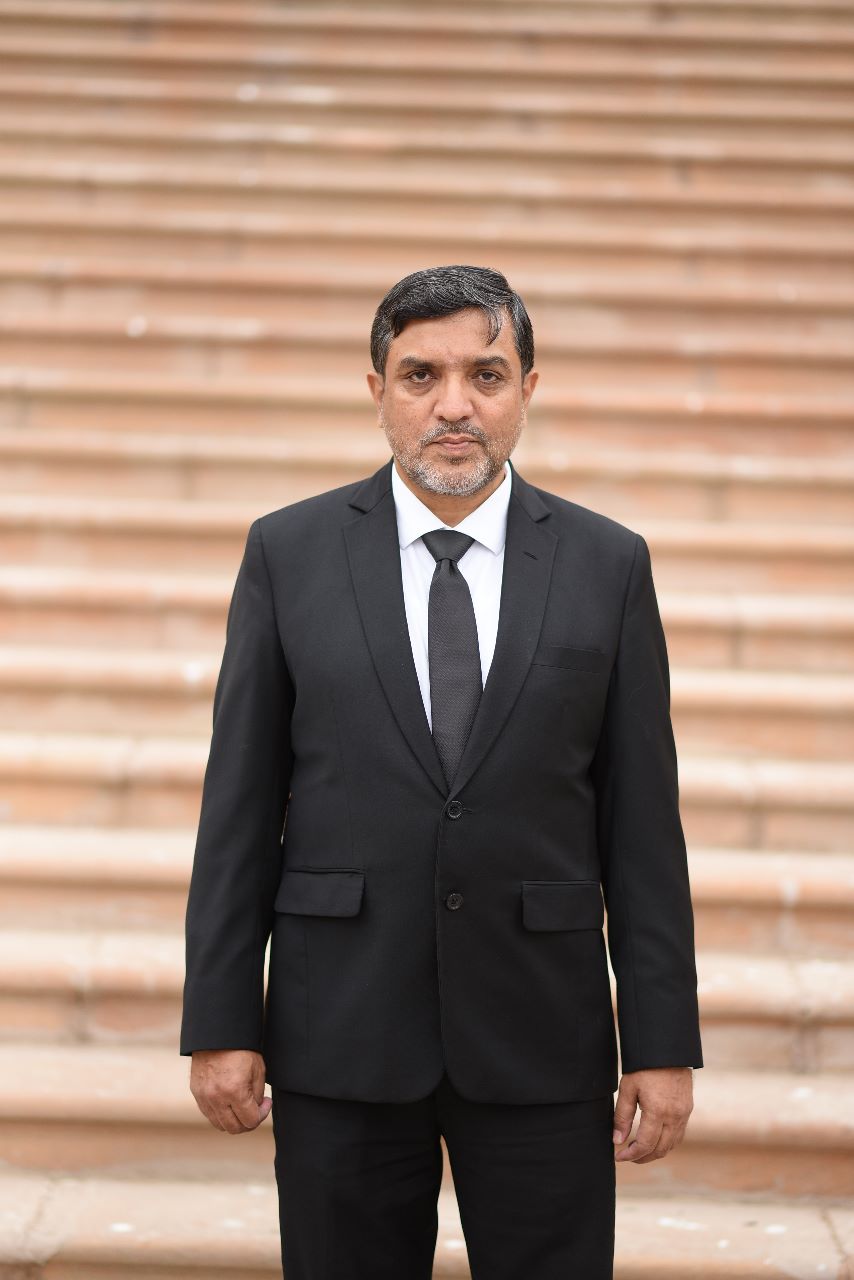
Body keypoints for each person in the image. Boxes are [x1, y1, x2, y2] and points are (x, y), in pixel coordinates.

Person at [180, 263, 703, 1279]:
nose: (453, 405)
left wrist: (660, 1039)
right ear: (376, 388)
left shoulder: (608, 564)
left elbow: (642, 825)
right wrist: (220, 1018)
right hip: (339, 1026)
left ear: (527, 388)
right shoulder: (287, 552)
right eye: (421, 374)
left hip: (541, 1032)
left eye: (486, 375)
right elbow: (237, 808)